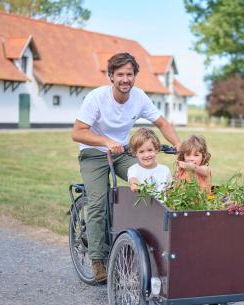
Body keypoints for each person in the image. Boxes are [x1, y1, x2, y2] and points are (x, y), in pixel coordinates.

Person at [71, 52, 180, 283]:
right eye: (119, 74)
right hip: (94, 154)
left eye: (129, 74)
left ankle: (144, 245)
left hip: (121, 153)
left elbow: (161, 123)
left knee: (151, 182)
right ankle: (98, 260)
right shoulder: (96, 98)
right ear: (111, 76)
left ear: (134, 77)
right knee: (99, 202)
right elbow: (77, 132)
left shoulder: (139, 97)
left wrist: (178, 145)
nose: (125, 79)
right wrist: (105, 142)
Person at [127, 127, 172, 193]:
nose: (147, 155)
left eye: (150, 150)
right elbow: (133, 181)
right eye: (141, 152)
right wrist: (135, 185)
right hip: (142, 202)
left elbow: (170, 191)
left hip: (162, 203)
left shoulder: (165, 170)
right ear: (135, 153)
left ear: (156, 149)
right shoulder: (133, 169)